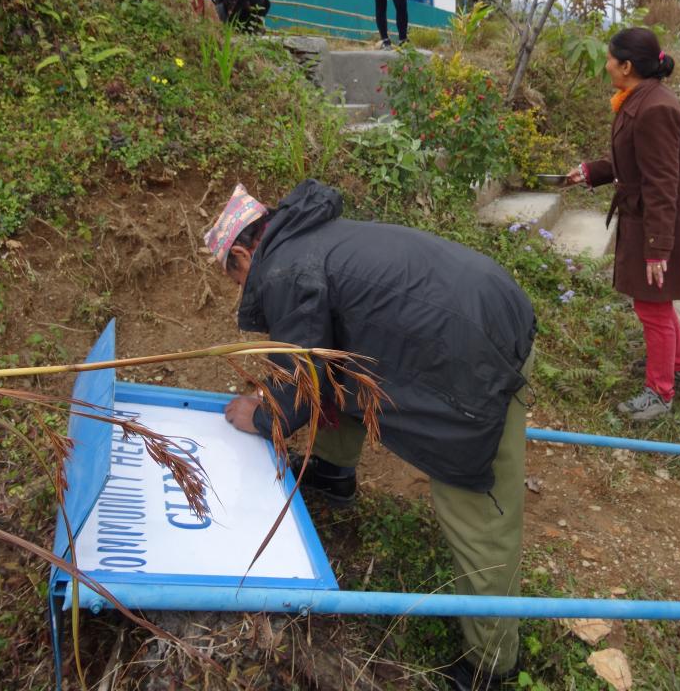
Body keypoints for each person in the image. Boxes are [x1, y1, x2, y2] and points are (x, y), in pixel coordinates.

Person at [205, 179, 536, 690]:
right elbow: (327, 355)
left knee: (477, 510)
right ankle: (334, 471)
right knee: (351, 370)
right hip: (475, 308)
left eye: (233, 276)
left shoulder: (285, 268)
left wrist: (265, 418)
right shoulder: (307, 240)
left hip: (475, 353)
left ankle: (493, 664)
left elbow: (304, 376)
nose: (239, 289)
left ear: (246, 254)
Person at [566, 27, 680, 422]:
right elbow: (637, 160)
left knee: (652, 306)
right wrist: (591, 172)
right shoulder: (640, 99)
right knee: (655, 303)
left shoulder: (655, 109)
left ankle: (659, 392)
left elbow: (662, 183)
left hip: (662, 217)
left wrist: (657, 247)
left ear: (627, 66)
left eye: (611, 59)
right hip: (650, 213)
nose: (607, 65)